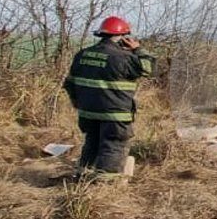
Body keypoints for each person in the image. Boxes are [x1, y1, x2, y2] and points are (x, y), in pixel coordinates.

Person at [62, 16, 155, 182]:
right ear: (122, 38)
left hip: (88, 112)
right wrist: (138, 49)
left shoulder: (82, 55)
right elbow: (148, 68)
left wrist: (78, 103)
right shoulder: (123, 58)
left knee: (92, 142)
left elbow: (69, 84)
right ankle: (105, 185)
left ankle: (82, 177)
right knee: (113, 145)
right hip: (115, 114)